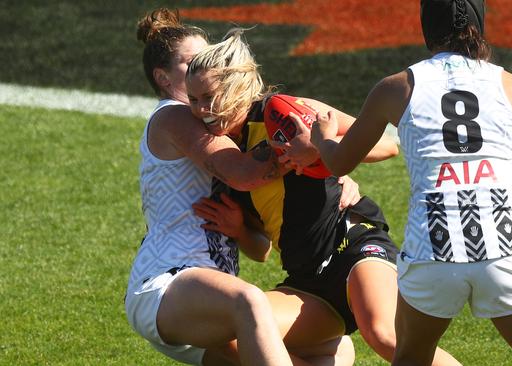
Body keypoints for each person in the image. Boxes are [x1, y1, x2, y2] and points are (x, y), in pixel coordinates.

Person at [307, 0, 512, 365]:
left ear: (426, 25)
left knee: (410, 359)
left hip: (433, 252)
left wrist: (322, 137)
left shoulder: (395, 88)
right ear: (480, 23)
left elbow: (339, 161)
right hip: (506, 247)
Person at [187, 28, 461, 366]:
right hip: (307, 281)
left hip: (352, 245)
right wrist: (240, 230)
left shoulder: (283, 112)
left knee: (385, 334)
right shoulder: (227, 161)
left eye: (208, 96)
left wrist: (321, 146)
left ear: (236, 86)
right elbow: (262, 250)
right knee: (226, 343)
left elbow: (386, 145)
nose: (200, 110)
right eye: (193, 100)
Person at [124, 8, 355, 366]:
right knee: (250, 301)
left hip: (212, 299)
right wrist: (317, 153)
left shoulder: (224, 129)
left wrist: (329, 173)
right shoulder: (172, 115)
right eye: (192, 64)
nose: (206, 70)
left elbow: (260, 248)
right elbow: (244, 173)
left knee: (334, 347)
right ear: (164, 78)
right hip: (168, 284)